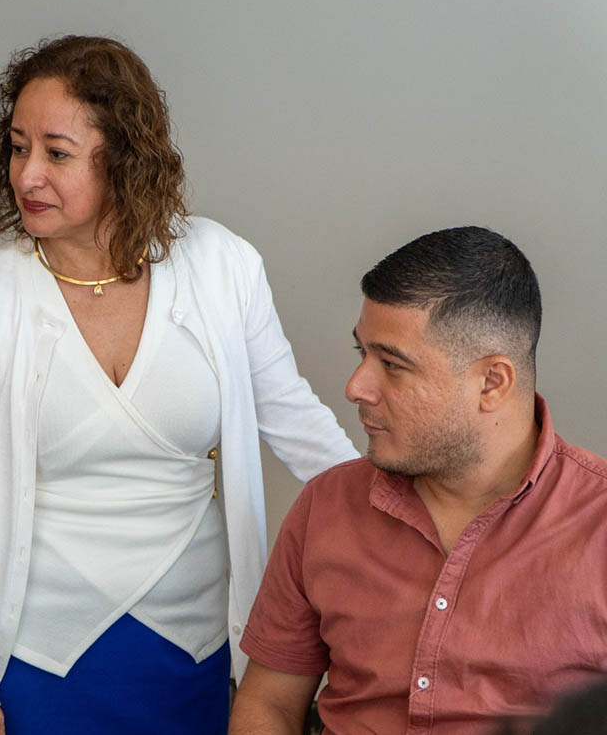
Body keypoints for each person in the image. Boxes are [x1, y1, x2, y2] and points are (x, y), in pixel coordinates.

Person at [0, 35, 357, 735]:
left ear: (123, 157)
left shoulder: (223, 265)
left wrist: (402, 514)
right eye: (18, 148)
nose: (28, 175)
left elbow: (295, 420)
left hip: (197, 644)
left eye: (58, 153)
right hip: (37, 653)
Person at [230, 227, 607, 734]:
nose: (356, 387)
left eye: (392, 364)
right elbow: (269, 703)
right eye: (361, 354)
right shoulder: (327, 505)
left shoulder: (598, 524)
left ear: (491, 382)